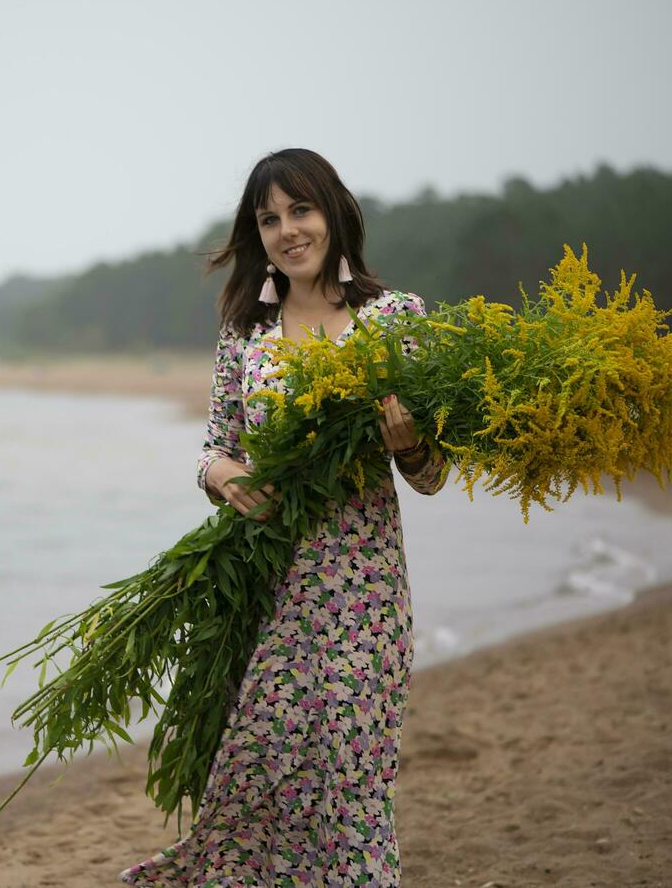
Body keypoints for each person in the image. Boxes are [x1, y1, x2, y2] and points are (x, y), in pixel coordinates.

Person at [118, 148, 448, 887]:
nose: (287, 230)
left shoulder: (394, 319)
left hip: (364, 591)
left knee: (351, 779)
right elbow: (214, 450)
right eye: (269, 219)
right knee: (260, 779)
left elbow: (430, 478)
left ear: (334, 212)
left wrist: (411, 445)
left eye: (300, 210)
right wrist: (229, 480)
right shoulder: (247, 333)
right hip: (270, 590)